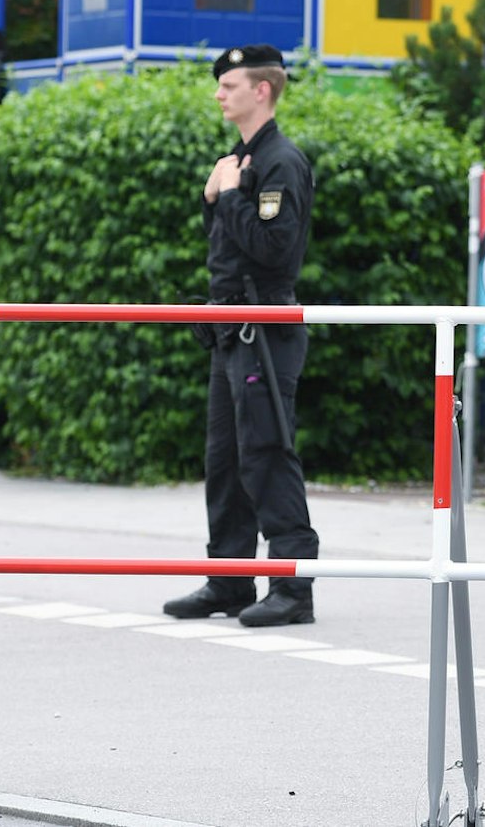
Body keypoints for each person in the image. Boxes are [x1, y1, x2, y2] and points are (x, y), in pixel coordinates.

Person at [163, 45, 320, 628]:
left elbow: (275, 250)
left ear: (263, 90)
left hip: (265, 327)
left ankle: (292, 589)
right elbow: (226, 247)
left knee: (266, 454)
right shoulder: (238, 160)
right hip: (232, 328)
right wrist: (217, 198)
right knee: (225, 460)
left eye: (229, 84)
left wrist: (227, 195)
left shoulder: (280, 161)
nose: (218, 93)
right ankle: (229, 581)